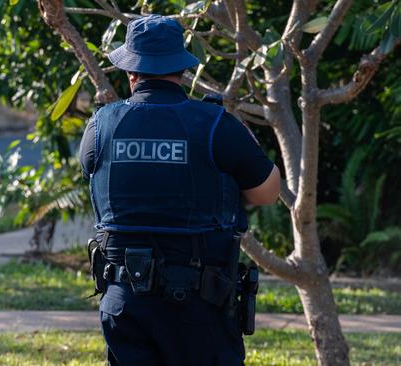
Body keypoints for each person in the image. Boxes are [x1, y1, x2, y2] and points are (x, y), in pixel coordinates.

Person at [78, 14, 281, 366]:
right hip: (199, 308)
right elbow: (266, 192)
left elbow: (96, 177)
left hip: (125, 302)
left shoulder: (100, 125)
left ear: (131, 73)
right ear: (182, 71)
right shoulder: (217, 124)